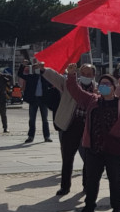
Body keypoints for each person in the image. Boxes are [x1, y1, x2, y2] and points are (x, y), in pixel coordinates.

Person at [65, 64, 120, 212]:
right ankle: (89, 207)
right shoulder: (92, 100)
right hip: (94, 148)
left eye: (107, 84)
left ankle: (117, 206)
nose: (104, 86)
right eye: (102, 84)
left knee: (115, 179)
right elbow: (75, 91)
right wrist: (71, 75)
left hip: (115, 148)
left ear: (113, 87)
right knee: (92, 180)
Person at [42, 63, 98, 196]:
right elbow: (55, 77)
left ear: (93, 75)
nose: (85, 76)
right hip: (70, 124)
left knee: (88, 158)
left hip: (88, 127)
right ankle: (65, 187)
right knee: (67, 158)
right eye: (83, 73)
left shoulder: (97, 89)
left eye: (88, 74)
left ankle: (87, 185)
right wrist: (44, 69)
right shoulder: (70, 83)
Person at [18, 62, 53, 143]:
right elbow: (20, 74)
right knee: (32, 119)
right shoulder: (31, 77)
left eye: (38, 67)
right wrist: (23, 65)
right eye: (35, 68)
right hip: (33, 100)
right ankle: (30, 136)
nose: (37, 69)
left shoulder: (45, 77)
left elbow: (52, 85)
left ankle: (47, 136)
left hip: (43, 100)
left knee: (45, 120)